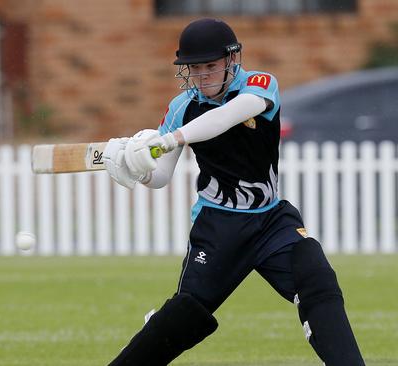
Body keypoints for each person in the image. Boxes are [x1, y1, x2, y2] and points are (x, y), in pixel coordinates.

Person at [102, 18, 365, 366]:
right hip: (218, 228)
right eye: (195, 68)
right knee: (185, 314)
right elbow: (161, 176)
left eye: (211, 66)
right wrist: (135, 169)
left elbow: (227, 117)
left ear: (231, 60)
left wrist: (169, 139)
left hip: (271, 220)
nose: (203, 76)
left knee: (314, 272)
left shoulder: (259, 85)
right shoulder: (181, 107)